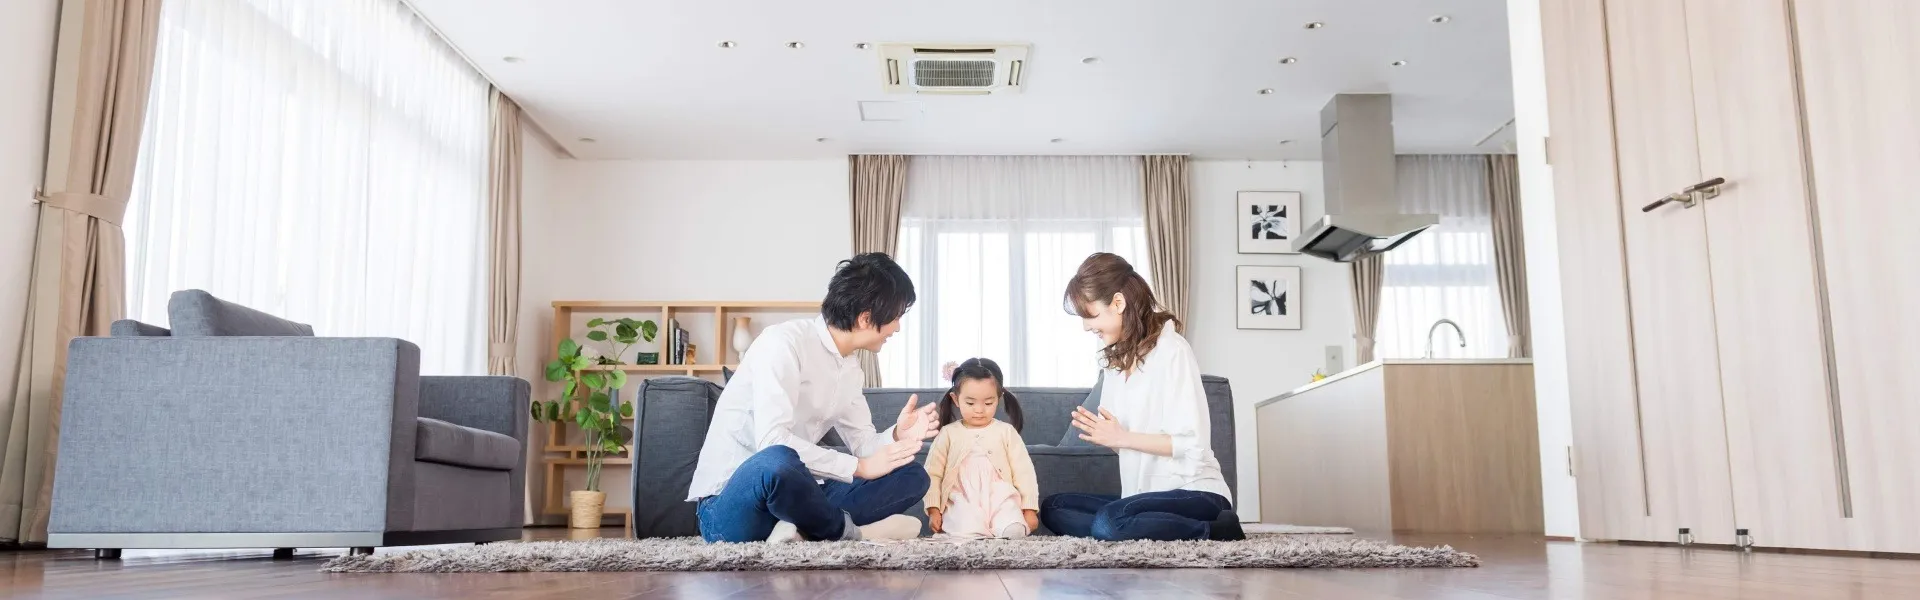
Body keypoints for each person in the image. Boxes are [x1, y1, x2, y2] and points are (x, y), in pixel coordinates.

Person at [685, 253, 939, 543]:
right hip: (730, 502)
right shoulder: (783, 343)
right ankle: (849, 532)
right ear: (866, 318)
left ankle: (800, 530)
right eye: (895, 317)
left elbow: (864, 445)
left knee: (912, 476)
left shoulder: (851, 370)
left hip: (801, 496)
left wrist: (896, 435)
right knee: (777, 459)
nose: (897, 328)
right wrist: (859, 468)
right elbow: (772, 441)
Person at [1040, 252, 1245, 542]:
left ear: (1118, 303)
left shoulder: (1172, 351)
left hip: (1195, 492)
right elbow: (1125, 442)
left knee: (1109, 524)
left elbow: (1192, 445)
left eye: (1092, 316)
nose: (1086, 326)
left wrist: (1121, 438)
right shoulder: (1114, 364)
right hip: (1143, 496)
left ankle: (1213, 530)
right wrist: (1106, 436)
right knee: (1054, 507)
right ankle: (1137, 527)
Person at [923, 358, 1040, 539]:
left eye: (988, 403)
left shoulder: (1006, 432)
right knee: (967, 529)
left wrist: (1029, 509)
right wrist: (933, 509)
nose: (979, 410)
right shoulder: (948, 433)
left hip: (1001, 496)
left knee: (1013, 526)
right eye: (970, 403)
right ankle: (974, 534)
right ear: (955, 399)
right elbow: (932, 473)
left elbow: (1024, 472)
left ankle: (1007, 529)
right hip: (961, 498)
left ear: (998, 399)